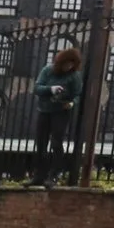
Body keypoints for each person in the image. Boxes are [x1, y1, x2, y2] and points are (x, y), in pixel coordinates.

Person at [29, 47, 83, 187]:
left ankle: (54, 175)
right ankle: (39, 176)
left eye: (71, 64)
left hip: (61, 112)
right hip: (44, 110)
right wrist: (51, 89)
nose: (68, 67)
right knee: (41, 143)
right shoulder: (48, 70)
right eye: (67, 64)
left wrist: (71, 103)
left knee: (56, 143)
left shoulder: (74, 76)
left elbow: (78, 94)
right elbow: (37, 88)